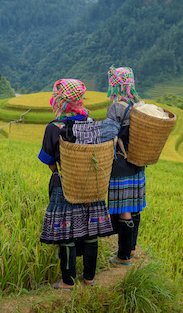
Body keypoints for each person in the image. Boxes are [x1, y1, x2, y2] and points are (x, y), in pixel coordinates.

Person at [38, 79, 113, 290]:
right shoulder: (92, 122)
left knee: (66, 232)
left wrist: (63, 172)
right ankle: (89, 278)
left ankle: (67, 281)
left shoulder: (54, 128)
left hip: (66, 187)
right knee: (90, 233)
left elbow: (49, 161)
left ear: (60, 100)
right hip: (92, 187)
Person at [105, 66, 146, 265]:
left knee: (124, 209)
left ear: (116, 86)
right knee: (135, 207)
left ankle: (122, 256)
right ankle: (130, 249)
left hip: (121, 164)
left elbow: (109, 135)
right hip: (138, 165)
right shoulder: (139, 105)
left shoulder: (116, 108)